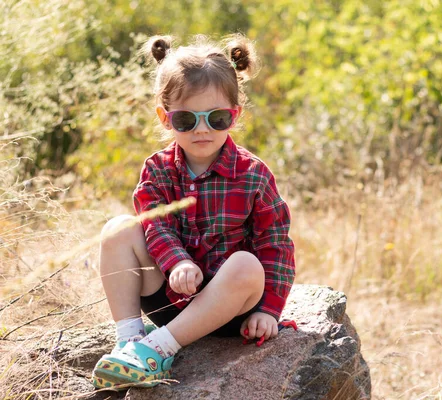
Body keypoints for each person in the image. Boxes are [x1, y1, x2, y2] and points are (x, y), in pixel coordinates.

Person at [91, 34, 295, 389]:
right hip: (171, 296)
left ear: (235, 114)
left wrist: (268, 310)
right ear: (165, 117)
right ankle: (129, 342)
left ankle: (157, 348)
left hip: (228, 308)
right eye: (186, 119)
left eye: (216, 118)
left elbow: (275, 245)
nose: (202, 129)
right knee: (119, 228)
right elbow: (156, 226)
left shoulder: (253, 174)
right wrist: (178, 263)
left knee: (247, 263)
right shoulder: (157, 169)